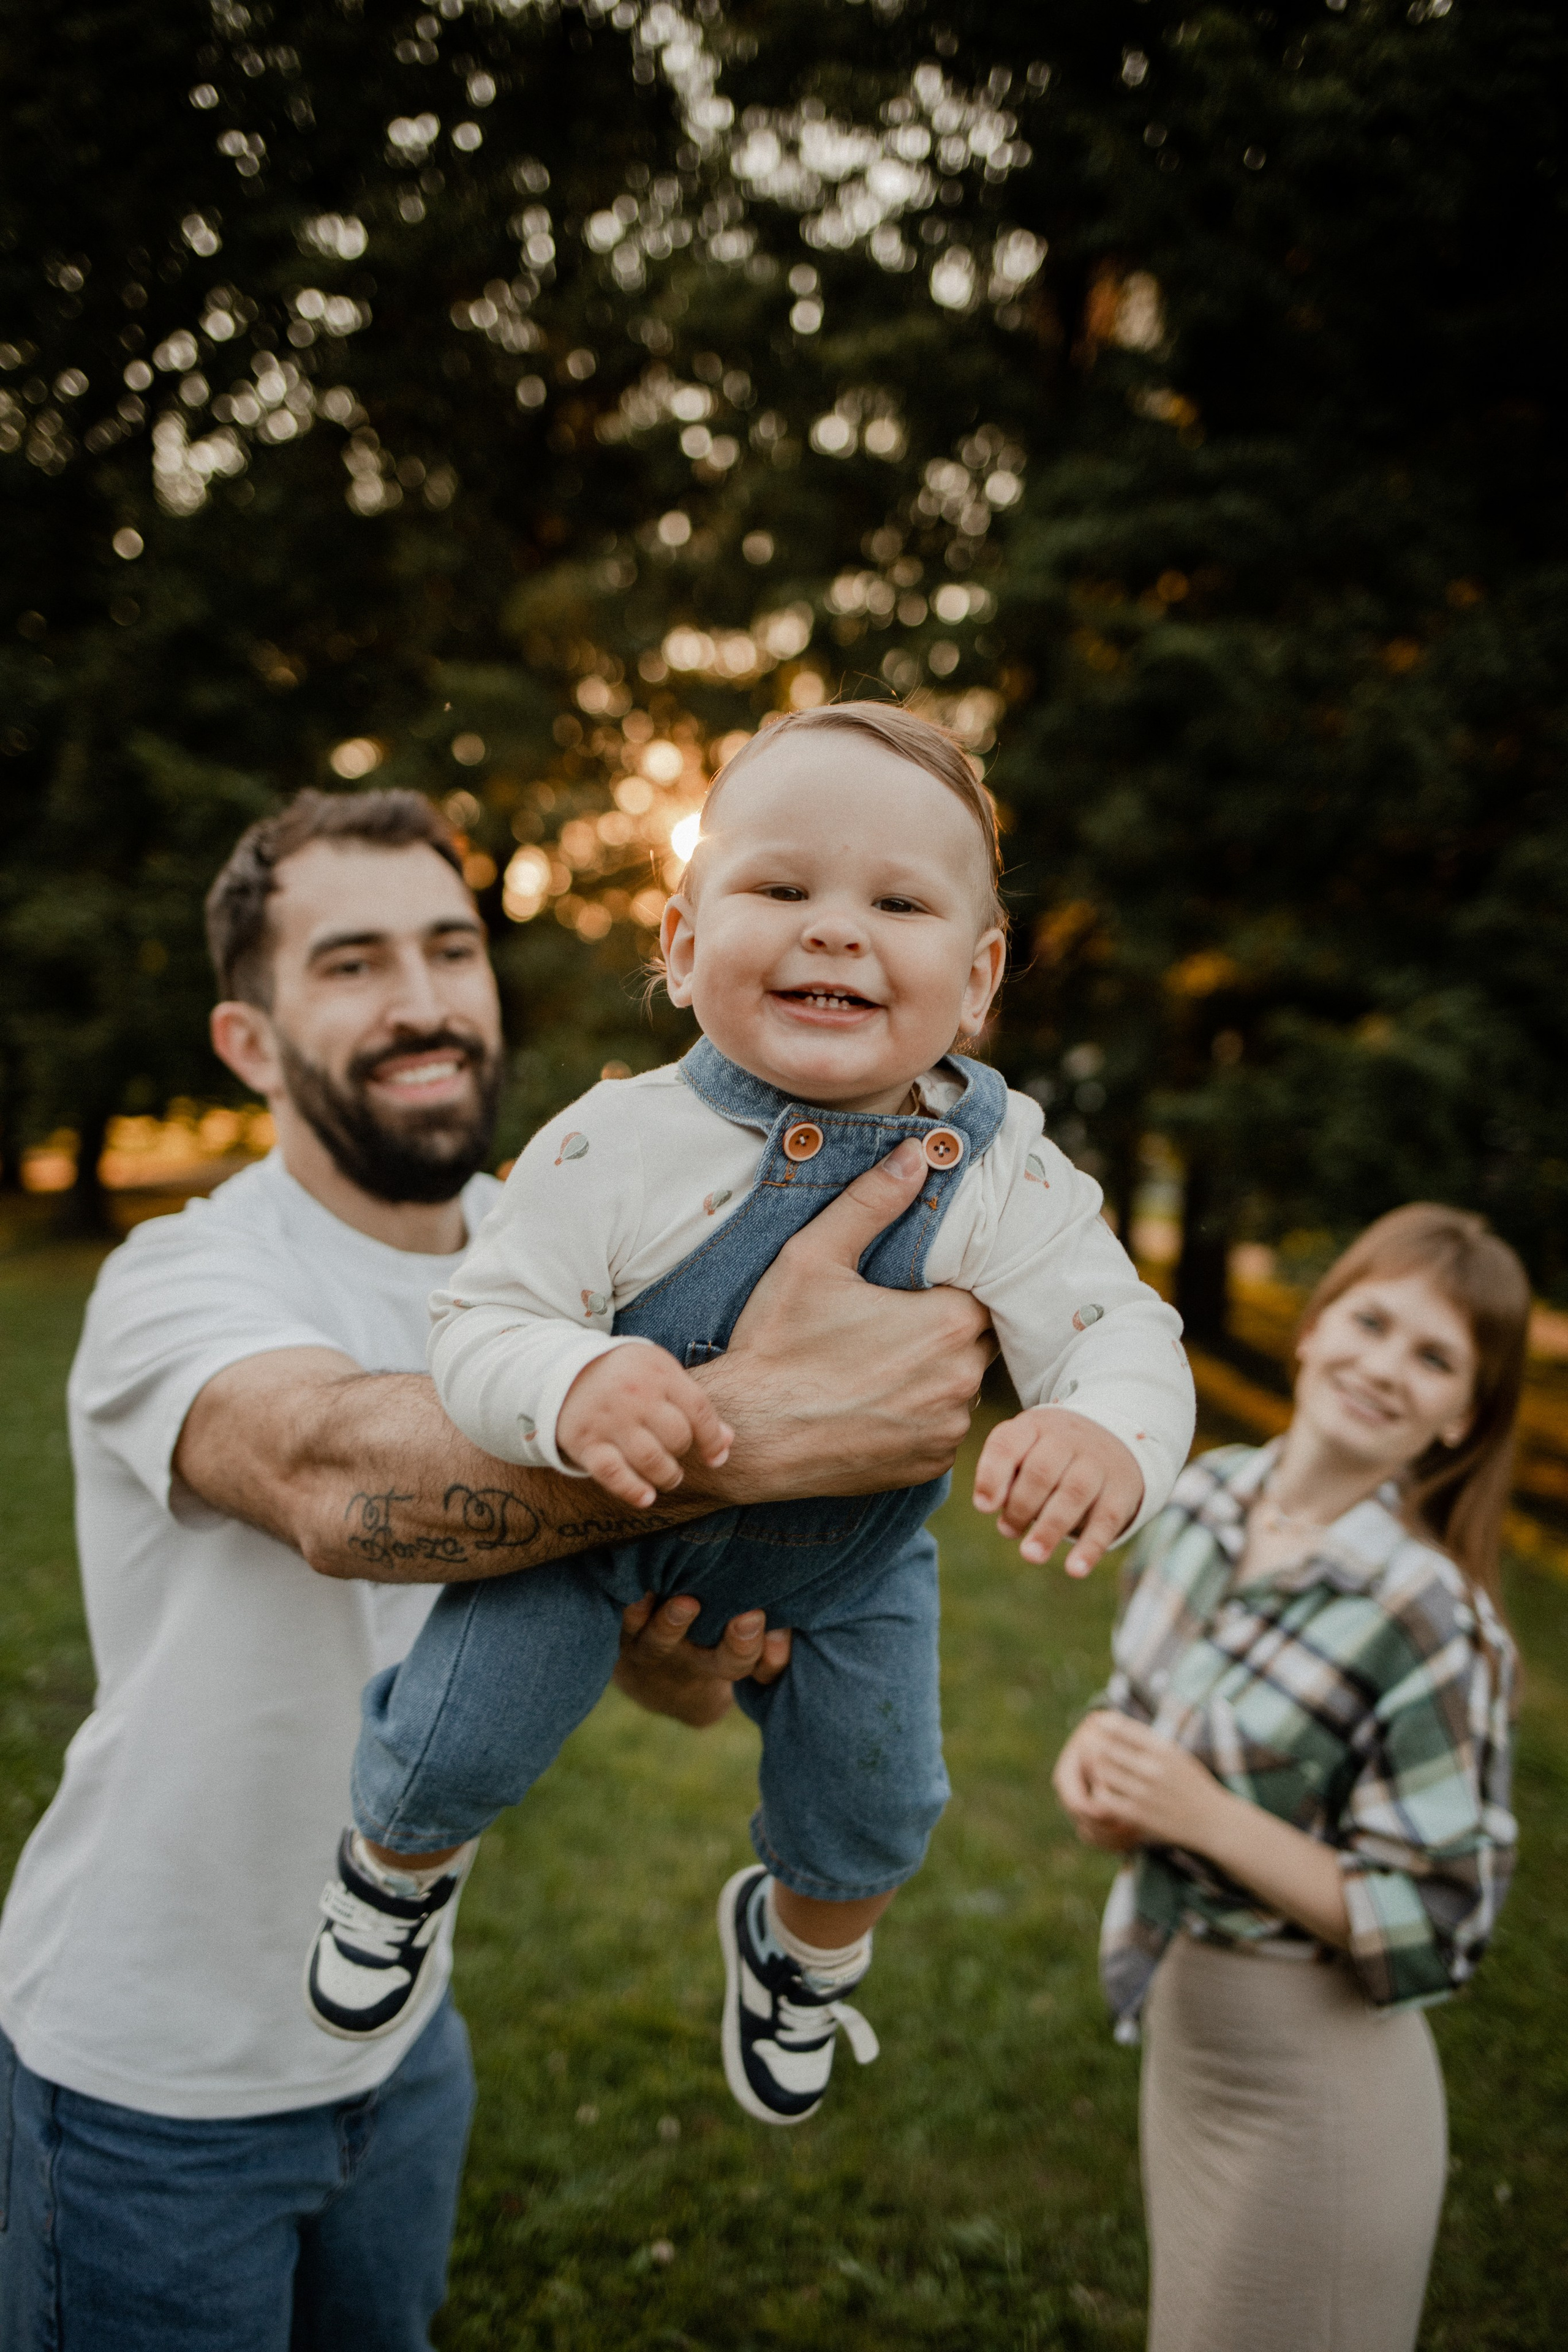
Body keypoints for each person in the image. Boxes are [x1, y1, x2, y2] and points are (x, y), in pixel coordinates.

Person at [0, 786, 1001, 2352]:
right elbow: (335, 1480)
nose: (422, 1001)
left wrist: (686, 1639)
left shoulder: (590, 1237)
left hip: (403, 2045)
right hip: (151, 2076)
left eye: (449, 948)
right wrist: (771, 1422)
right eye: (350, 964)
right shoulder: (180, 1274)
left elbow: (659, 1657)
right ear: (249, 1041)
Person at [303, 704, 1197, 2129]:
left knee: (878, 1799)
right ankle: (391, 1873)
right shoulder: (614, 1142)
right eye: (780, 887)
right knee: (459, 1731)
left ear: (976, 980)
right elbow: (481, 1322)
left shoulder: (1001, 1175)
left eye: (896, 904)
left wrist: (1106, 1433)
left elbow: (1118, 1331)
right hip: (584, 1531)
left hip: (846, 1570)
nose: (833, 929)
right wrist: (570, 1382)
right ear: (678, 944)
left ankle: (802, 1955)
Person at [1052, 1204, 1526, 2352]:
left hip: (1318, 2089)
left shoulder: (1430, 1620)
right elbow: (1143, 1704)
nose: (1387, 1367)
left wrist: (1205, 1818)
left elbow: (1443, 1924)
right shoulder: (1200, 1499)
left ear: (1462, 1416)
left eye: (1436, 1359)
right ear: (1314, 1330)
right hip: (1186, 2043)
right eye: (1372, 1323)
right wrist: (1098, 1758)